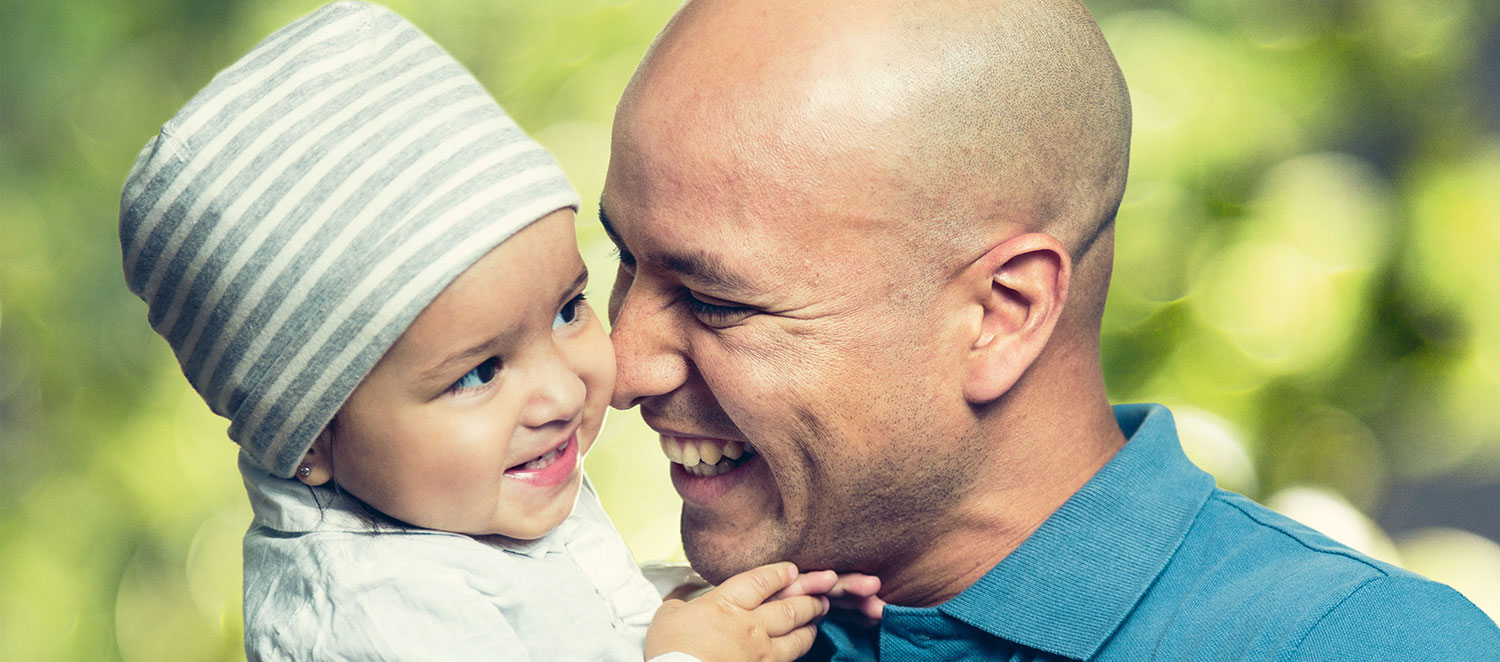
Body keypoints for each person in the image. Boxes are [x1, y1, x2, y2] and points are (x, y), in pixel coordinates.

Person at [599, 0, 1500, 659]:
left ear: (1003, 313)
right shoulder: (653, 630)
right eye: (624, 263)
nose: (620, 364)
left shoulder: (1352, 646)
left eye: (719, 302)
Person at [117, 3, 863, 660]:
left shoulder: (461, 501)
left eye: (568, 309)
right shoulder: (374, 615)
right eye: (478, 373)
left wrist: (742, 609)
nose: (562, 389)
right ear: (308, 441)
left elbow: (579, 623)